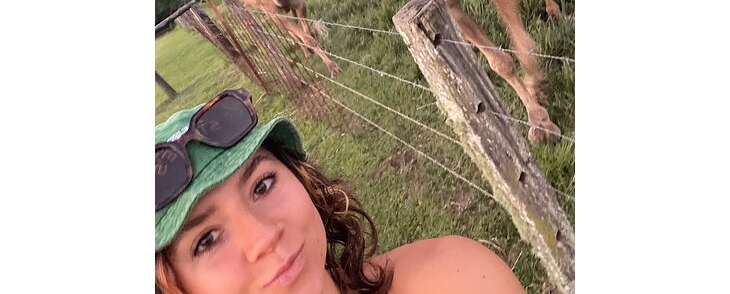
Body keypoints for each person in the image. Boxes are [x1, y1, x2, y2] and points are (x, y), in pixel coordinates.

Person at [155, 88, 527, 294]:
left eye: (262, 185)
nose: (265, 238)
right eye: (206, 240)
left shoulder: (455, 278)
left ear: (301, 180)